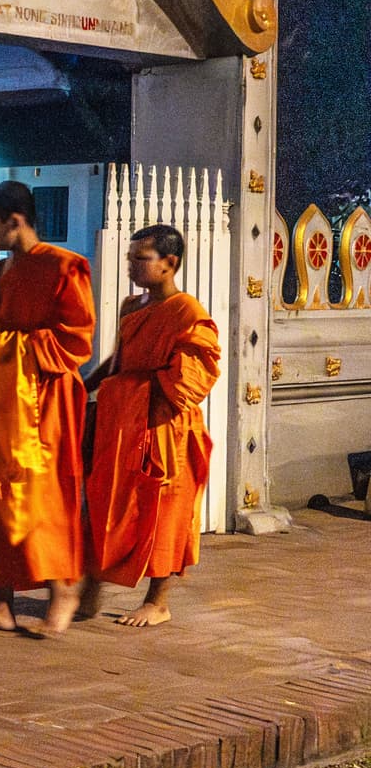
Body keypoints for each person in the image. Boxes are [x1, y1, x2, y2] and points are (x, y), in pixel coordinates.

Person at [0, 180, 95, 637]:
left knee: (49, 496)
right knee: (0, 496)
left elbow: (76, 340)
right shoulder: (3, 272)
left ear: (14, 220)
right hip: (8, 400)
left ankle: (63, 591)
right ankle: (2, 599)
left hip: (50, 401)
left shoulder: (66, 266)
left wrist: (8, 345)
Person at [82, 224, 220, 627]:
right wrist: (85, 385)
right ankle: (92, 588)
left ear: (169, 263)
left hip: (165, 425)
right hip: (123, 423)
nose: (131, 266)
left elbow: (192, 378)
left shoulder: (187, 313)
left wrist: (135, 390)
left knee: (165, 510)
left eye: (139, 259)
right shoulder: (131, 307)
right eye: (130, 258)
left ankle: (157, 600)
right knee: (109, 502)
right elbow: (119, 360)